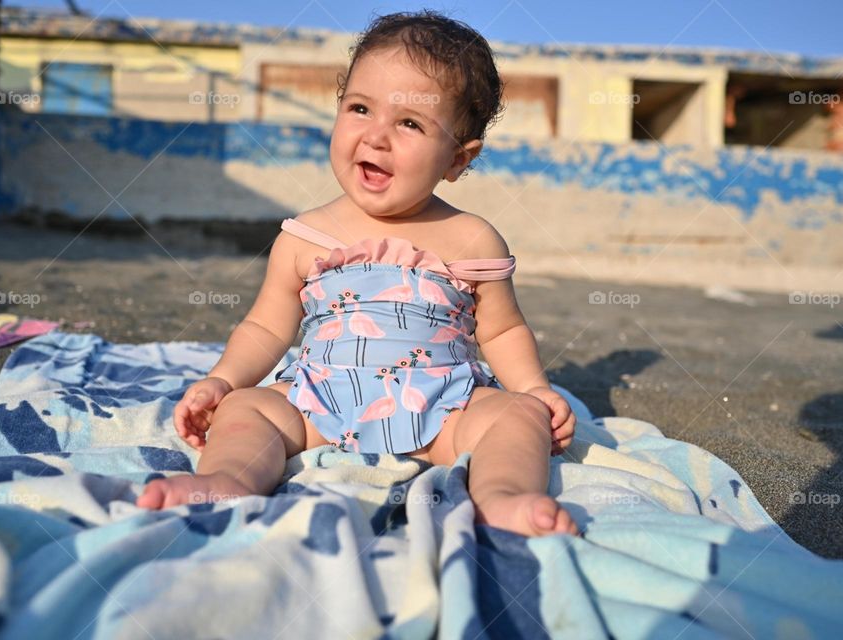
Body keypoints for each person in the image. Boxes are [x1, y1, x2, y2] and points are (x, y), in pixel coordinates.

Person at [137, 10, 579, 537]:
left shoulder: (472, 238)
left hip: (442, 408)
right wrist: (223, 380)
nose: (376, 137)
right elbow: (265, 327)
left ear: (458, 160)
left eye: (410, 123)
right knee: (245, 410)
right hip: (318, 403)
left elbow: (502, 329)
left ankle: (504, 497)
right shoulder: (306, 235)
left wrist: (534, 389)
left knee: (516, 417)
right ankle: (228, 480)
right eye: (361, 108)